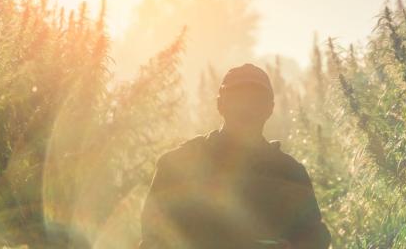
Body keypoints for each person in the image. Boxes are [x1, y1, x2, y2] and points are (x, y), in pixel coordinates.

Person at [139, 64, 331, 249]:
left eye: (256, 100)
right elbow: (153, 236)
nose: (246, 108)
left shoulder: (289, 172)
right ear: (220, 104)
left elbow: (314, 235)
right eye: (237, 99)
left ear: (269, 109)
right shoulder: (179, 164)